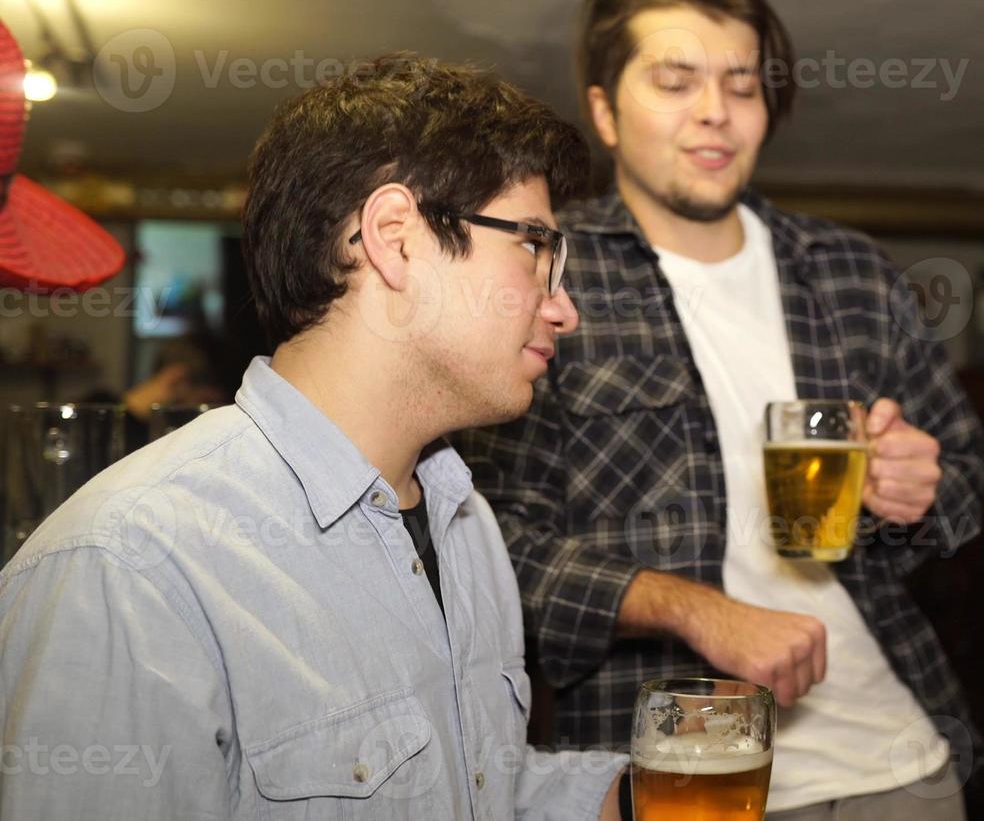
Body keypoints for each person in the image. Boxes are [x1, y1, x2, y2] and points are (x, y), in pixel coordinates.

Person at [0, 55, 629, 818]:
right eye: (533, 245)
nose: (563, 307)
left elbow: (478, 787)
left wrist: (655, 785)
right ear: (394, 238)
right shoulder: (132, 564)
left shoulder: (465, 521)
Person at [454, 0, 984, 818]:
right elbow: (481, 545)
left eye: (742, 85)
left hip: (897, 764)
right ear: (605, 111)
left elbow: (961, 482)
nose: (715, 112)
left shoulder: (852, 272)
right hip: (672, 778)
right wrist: (693, 610)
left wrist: (916, 492)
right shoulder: (548, 277)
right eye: (675, 81)